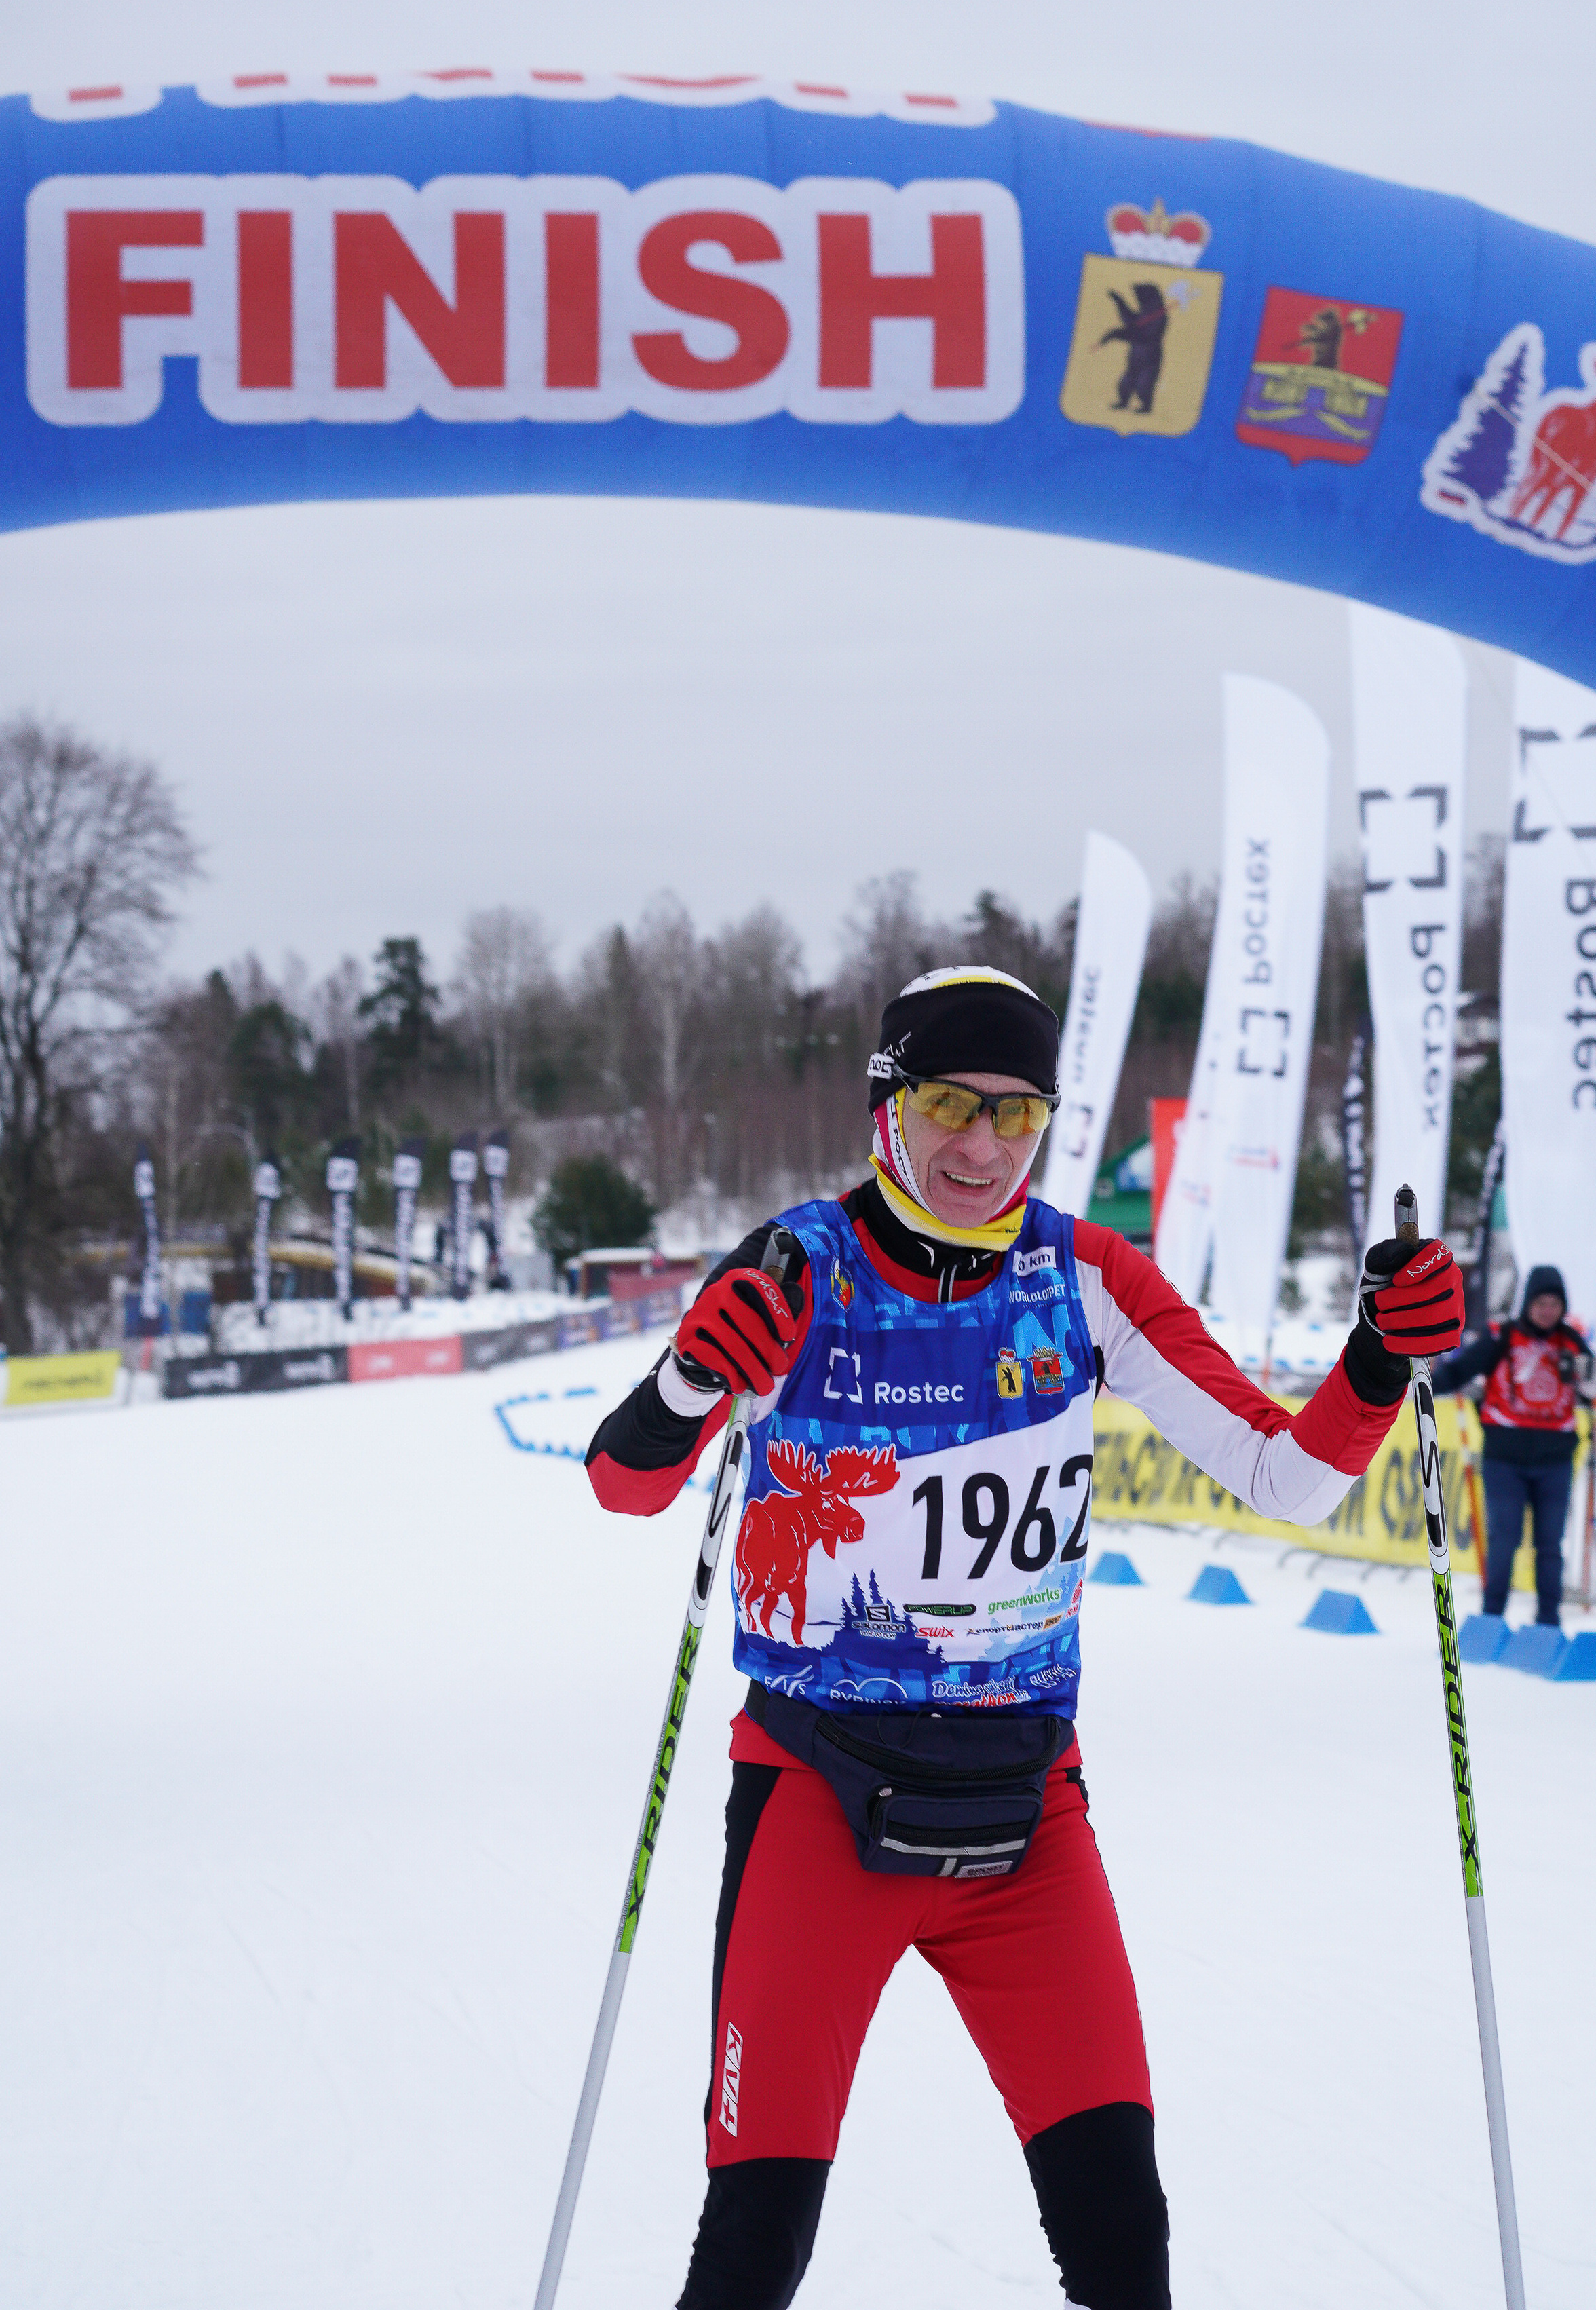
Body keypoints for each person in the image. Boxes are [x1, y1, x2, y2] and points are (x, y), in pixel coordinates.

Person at [586, 967, 1465, 2310]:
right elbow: (625, 1485)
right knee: (754, 2242)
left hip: (1024, 1822)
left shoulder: (1081, 1273)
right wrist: (692, 1377)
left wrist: (1375, 1357)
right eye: (947, 1102)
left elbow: (1284, 1475)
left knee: (1121, 2236)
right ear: (887, 1102)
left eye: (1016, 1114)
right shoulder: (796, 1268)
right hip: (818, 1804)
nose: (979, 1146)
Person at [1434, 1264, 1593, 1629]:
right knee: (1505, 1538)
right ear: (1527, 1303)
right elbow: (1461, 1370)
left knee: (1550, 1544)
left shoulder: (1571, 1341)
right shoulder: (1502, 1337)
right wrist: (1423, 1384)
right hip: (1505, 1458)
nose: (1547, 1311)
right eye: (1541, 1303)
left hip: (1555, 1459)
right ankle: (1492, 1617)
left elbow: (1594, 1384)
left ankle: (1548, 1621)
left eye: (1555, 1304)